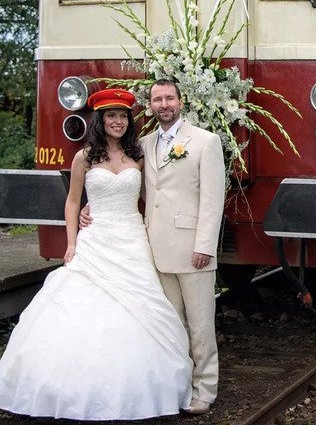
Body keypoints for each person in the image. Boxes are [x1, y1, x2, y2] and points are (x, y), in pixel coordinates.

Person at [0, 89, 192, 421]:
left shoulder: (139, 155)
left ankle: (139, 387)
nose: (117, 121)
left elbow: (155, 196)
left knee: (141, 308)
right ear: (99, 121)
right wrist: (72, 243)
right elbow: (73, 201)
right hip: (96, 239)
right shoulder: (84, 157)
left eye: (122, 116)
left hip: (131, 238)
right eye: (110, 116)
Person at [82, 79, 225, 415]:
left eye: (170, 98)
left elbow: (213, 199)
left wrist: (205, 244)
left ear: (180, 101)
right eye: (158, 99)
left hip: (193, 248)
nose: (164, 104)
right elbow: (125, 184)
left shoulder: (205, 142)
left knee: (201, 325)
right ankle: (177, 386)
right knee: (170, 326)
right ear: (150, 106)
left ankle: (205, 389)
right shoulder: (142, 145)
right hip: (153, 251)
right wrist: (95, 205)